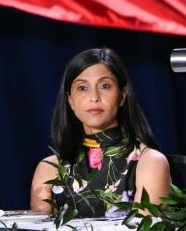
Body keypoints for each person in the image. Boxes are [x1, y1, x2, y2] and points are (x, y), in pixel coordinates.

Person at [30, 47, 170, 217]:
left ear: (122, 96)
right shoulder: (49, 168)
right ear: (70, 101)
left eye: (105, 86)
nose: (94, 97)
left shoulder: (150, 163)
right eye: (82, 88)